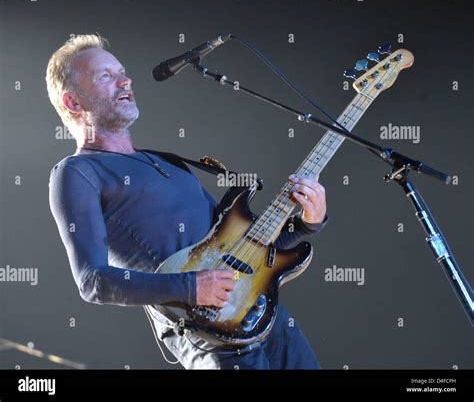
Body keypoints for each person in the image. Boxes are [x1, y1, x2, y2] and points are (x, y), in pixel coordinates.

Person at [46, 34, 328, 369]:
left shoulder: (168, 163)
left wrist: (308, 222)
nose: (126, 80)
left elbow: (244, 253)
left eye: (122, 71)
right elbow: (93, 282)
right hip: (212, 338)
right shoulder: (78, 172)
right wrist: (191, 287)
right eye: (105, 76)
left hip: (268, 317)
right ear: (74, 103)